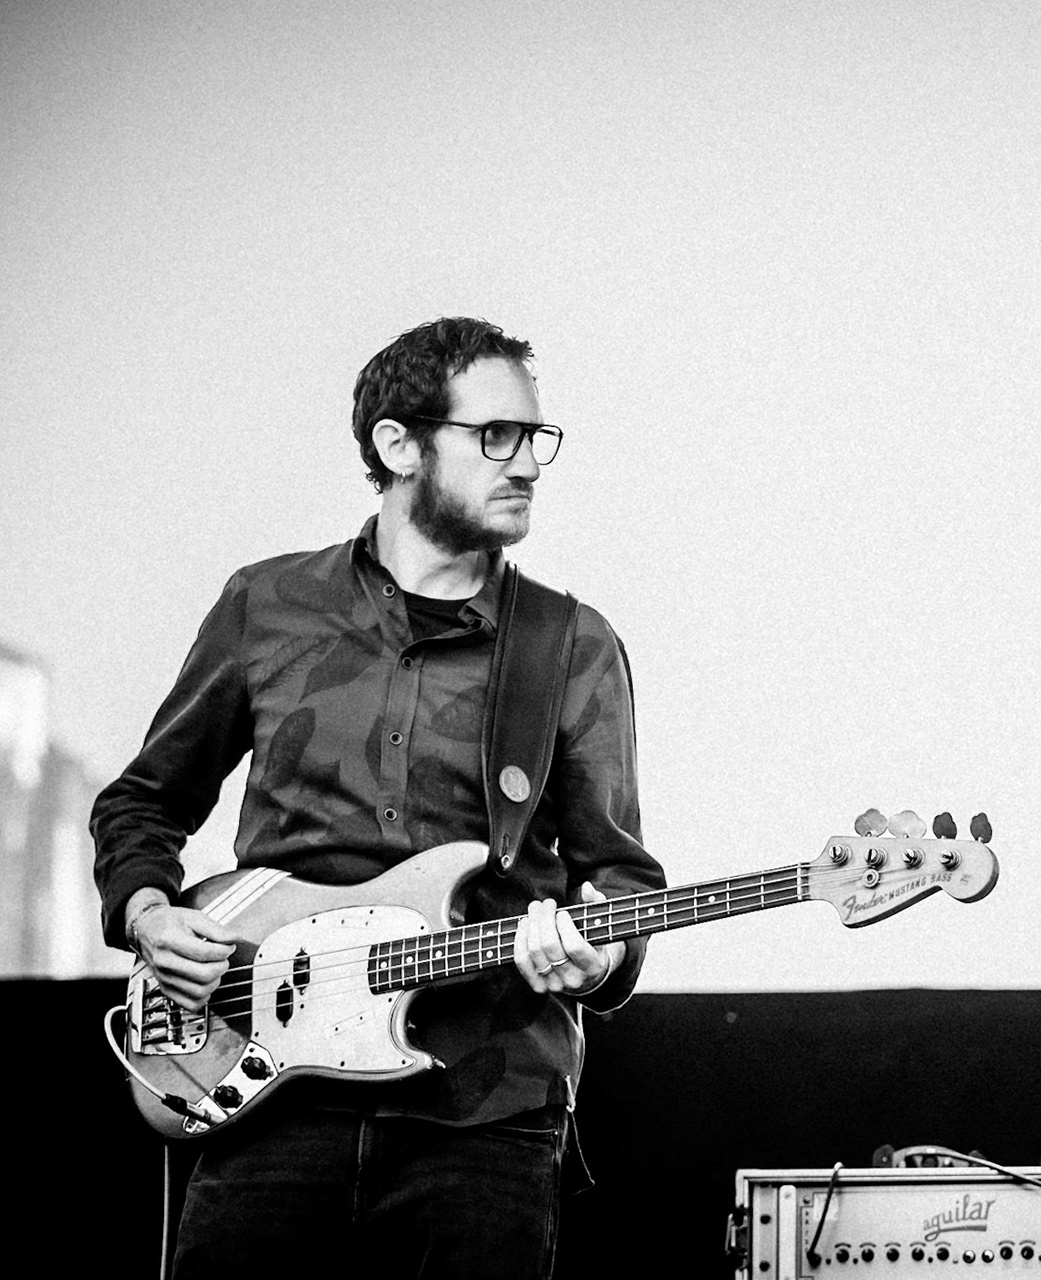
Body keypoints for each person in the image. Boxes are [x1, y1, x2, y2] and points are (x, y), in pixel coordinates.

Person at [92, 317, 666, 1279]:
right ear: (397, 445)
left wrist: (597, 950)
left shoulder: (569, 646)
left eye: (536, 438)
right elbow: (144, 801)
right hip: (261, 1093)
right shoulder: (267, 605)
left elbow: (617, 880)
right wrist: (150, 913)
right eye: (496, 435)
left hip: (484, 1114)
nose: (527, 462)